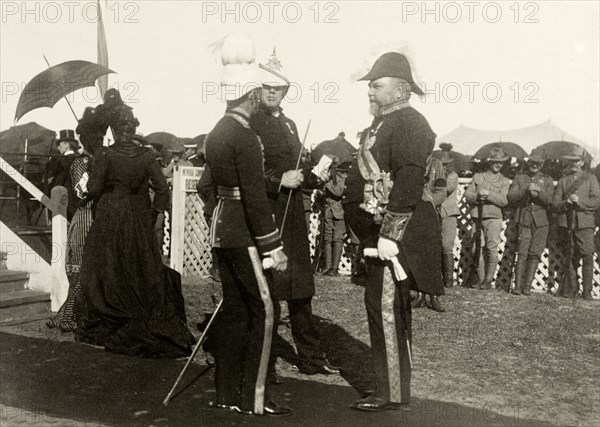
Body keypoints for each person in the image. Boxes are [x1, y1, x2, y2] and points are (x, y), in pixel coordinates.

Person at [342, 52, 444, 411]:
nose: (370, 91)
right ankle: (394, 388)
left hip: (392, 239)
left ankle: (389, 393)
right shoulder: (381, 124)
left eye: (377, 85)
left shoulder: (410, 124)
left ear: (401, 89)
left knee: (385, 310)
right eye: (370, 85)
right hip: (377, 236)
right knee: (385, 309)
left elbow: (409, 180)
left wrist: (390, 234)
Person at [204, 33, 291, 416]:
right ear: (252, 95)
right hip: (247, 235)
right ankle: (254, 398)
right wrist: (274, 246)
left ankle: (226, 394)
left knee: (235, 310)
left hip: (223, 231)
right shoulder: (245, 137)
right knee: (265, 310)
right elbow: (255, 198)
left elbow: (212, 189)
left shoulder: (215, 133)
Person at [76, 105, 195, 358]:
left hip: (110, 216)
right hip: (138, 217)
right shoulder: (147, 155)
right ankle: (135, 312)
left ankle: (113, 314)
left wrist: (91, 172)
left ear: (114, 130)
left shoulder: (105, 155)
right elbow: (162, 189)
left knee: (107, 267)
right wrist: (151, 216)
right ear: (133, 128)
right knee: (138, 268)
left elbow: (95, 189)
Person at [249, 48, 340, 376]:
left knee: (300, 288)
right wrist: (277, 181)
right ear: (258, 89)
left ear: (285, 91)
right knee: (270, 288)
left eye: (278, 88)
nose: (272, 93)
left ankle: (312, 358)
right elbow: (245, 172)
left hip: (294, 216)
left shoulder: (288, 123)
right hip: (268, 214)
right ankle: (263, 362)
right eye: (267, 87)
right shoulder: (251, 122)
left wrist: (314, 175)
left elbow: (298, 167)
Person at [47, 128, 102, 332]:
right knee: (79, 265)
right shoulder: (82, 163)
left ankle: (74, 313)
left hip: (87, 216)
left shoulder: (85, 162)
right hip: (87, 215)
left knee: (80, 265)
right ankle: (74, 312)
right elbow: (83, 192)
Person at [552, 145, 600, 300]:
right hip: (566, 223)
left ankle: (587, 291)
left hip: (585, 223)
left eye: (576, 161)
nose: (573, 164)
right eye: (571, 161)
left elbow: (596, 200)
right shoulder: (563, 181)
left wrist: (580, 202)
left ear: (582, 162)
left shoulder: (590, 178)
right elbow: (555, 204)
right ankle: (572, 288)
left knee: (587, 255)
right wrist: (567, 202)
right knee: (569, 256)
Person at [507, 150, 554, 295]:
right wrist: (525, 191)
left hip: (541, 222)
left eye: (538, 163)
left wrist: (540, 192)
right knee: (522, 252)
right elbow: (511, 197)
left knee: (535, 253)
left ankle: (527, 287)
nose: (535, 165)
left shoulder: (547, 180)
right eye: (532, 162)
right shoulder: (520, 177)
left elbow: (551, 202)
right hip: (524, 219)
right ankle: (517, 287)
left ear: (542, 164)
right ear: (529, 162)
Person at [464, 147, 511, 290]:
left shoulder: (504, 181)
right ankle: (481, 278)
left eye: (501, 162)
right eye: (496, 162)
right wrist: (478, 195)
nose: (498, 165)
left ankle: (488, 280)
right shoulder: (478, 177)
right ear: (490, 162)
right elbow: (467, 195)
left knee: (491, 248)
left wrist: (488, 194)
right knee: (476, 248)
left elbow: (504, 201)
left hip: (494, 218)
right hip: (477, 217)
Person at [321, 161, 348, 277]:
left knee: (337, 239)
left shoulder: (343, 176)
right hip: (328, 210)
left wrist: (327, 183)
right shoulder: (330, 177)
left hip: (339, 211)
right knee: (327, 238)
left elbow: (339, 192)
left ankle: (335, 268)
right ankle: (328, 267)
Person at [46, 130, 79, 222]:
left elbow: (58, 181)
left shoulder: (60, 161)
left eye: (60, 144)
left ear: (66, 145)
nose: (58, 147)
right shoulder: (81, 158)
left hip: (66, 201)